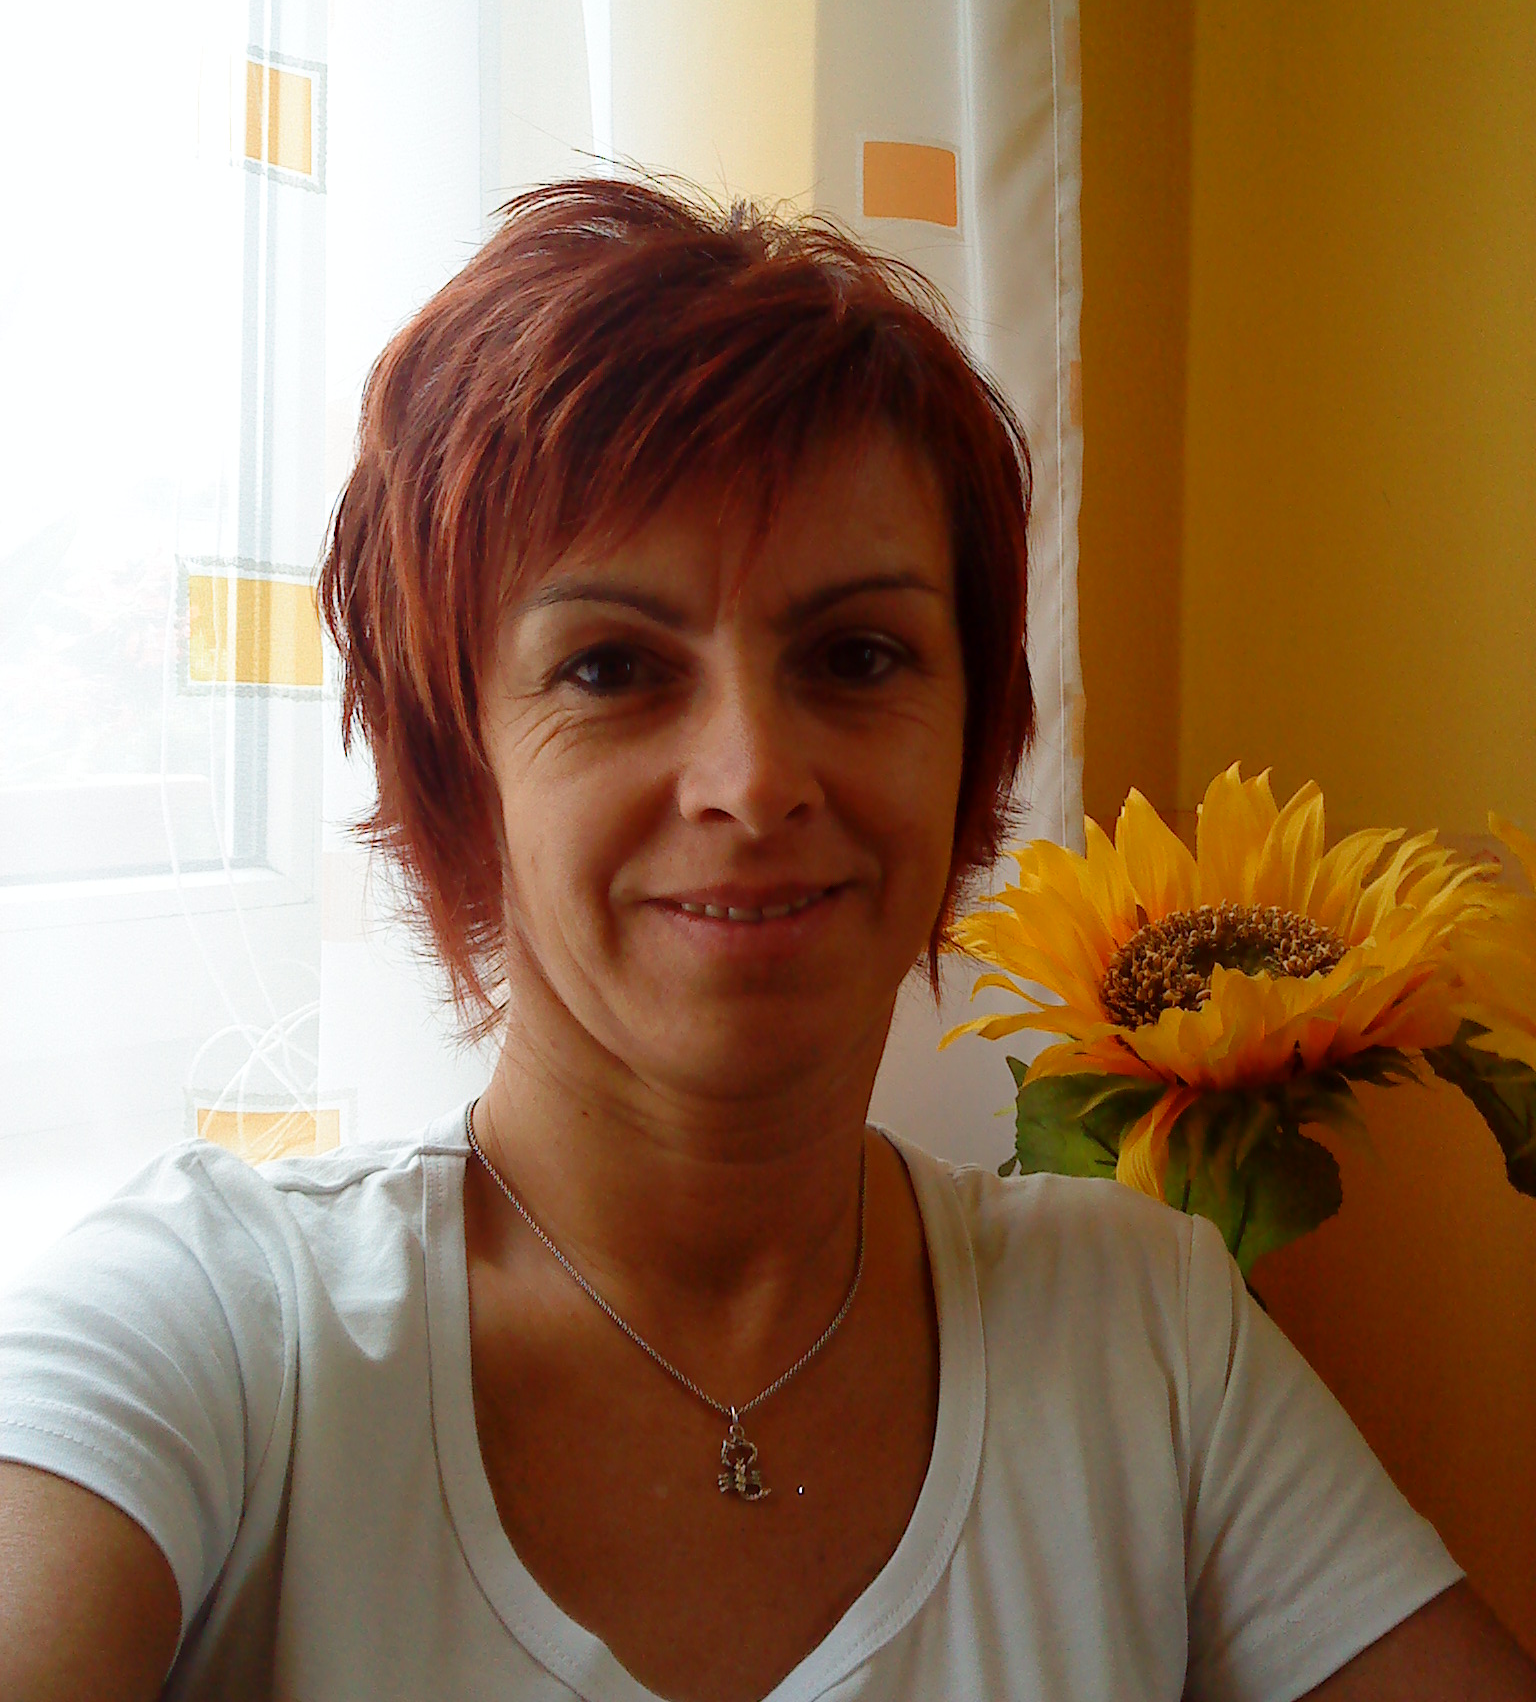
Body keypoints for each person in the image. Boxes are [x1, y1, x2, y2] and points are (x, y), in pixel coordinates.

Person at [0, 180, 1530, 1702]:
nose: (753, 779)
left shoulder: (1149, 1335)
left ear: (976, 739)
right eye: (611, 668)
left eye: (856, 655)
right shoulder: (215, 1328)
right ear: (461, 761)